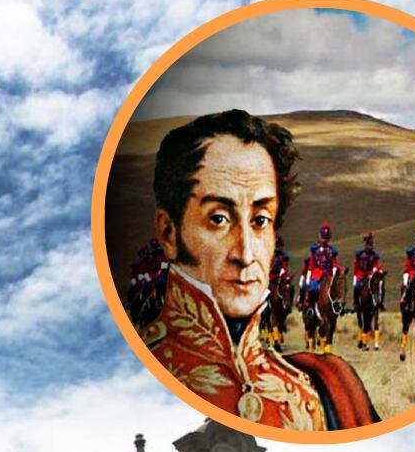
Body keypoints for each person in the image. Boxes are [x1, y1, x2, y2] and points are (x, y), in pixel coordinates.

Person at [142, 110, 375, 430]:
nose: (246, 254)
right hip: (317, 273)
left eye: (260, 220)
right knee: (310, 286)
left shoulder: (330, 389)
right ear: (169, 232)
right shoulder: (144, 371)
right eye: (219, 219)